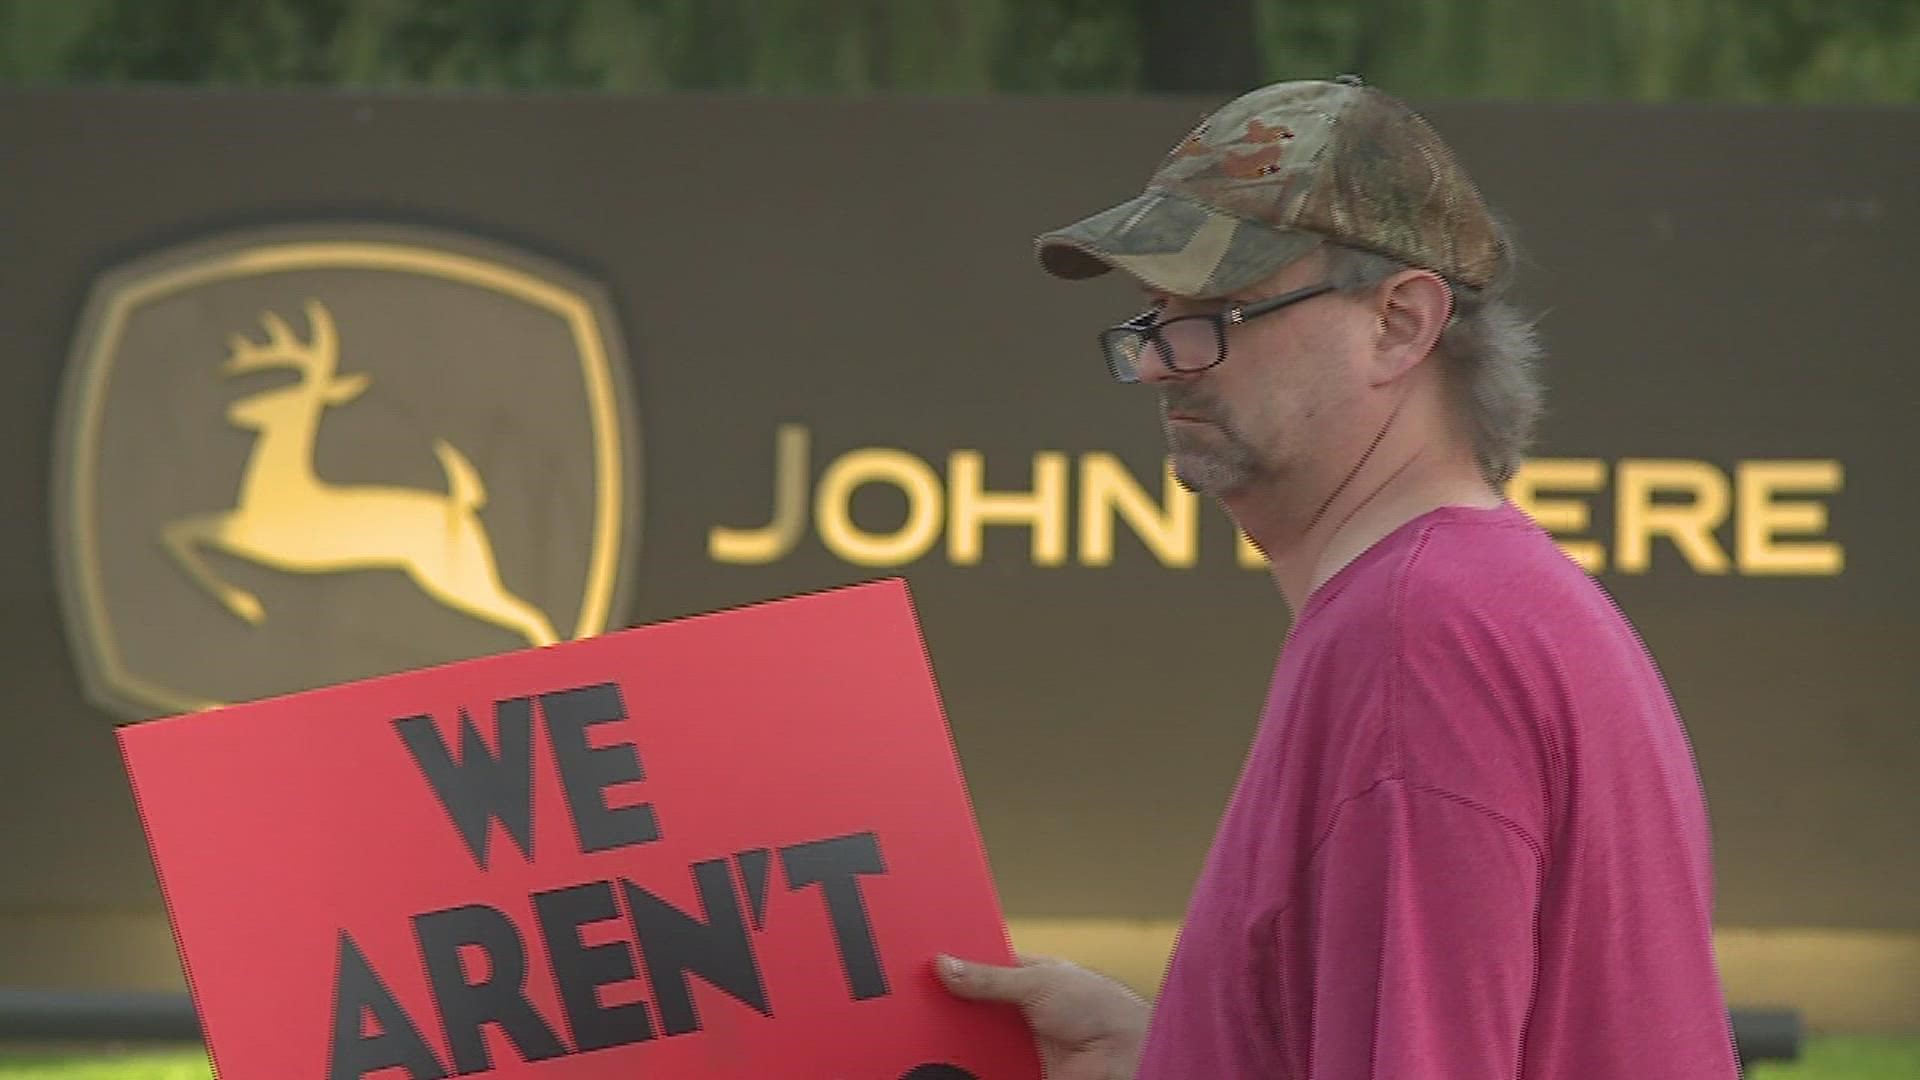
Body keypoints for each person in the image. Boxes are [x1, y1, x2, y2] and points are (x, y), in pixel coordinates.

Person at [934, 76, 1741, 1079]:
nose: (1157, 365)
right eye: (1155, 314)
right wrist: (1169, 1055)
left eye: (1223, 309)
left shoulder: (1418, 639)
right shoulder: (1487, 601)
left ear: (1401, 324)